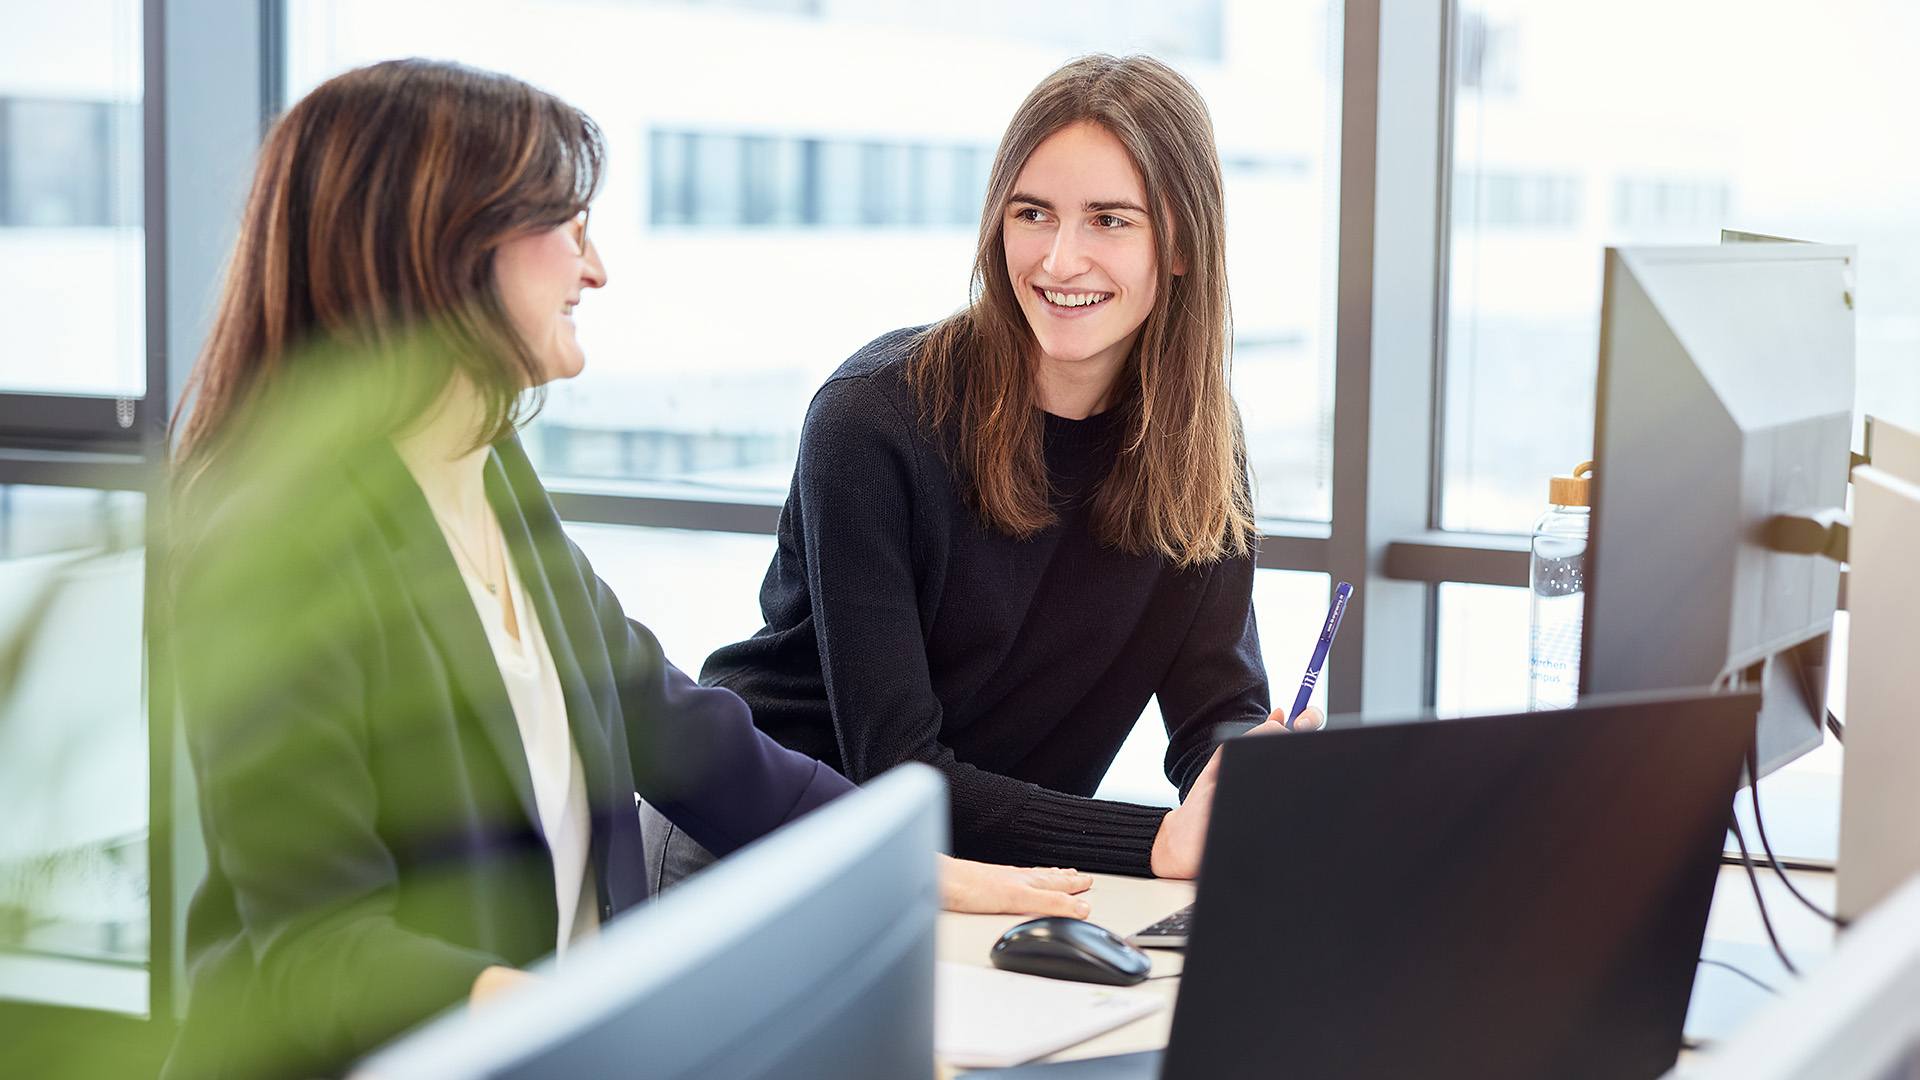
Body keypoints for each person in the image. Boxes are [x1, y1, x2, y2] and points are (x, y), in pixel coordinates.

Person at [160, 58, 1088, 1080]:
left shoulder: (482, 467)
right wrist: (609, 1019)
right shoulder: (277, 543)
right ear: (448, 249)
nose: (593, 270)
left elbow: (669, 725)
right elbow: (319, 951)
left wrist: (911, 865)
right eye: (569, 226)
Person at [686, 54, 1321, 889]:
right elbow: (900, 770)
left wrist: (1244, 778)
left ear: (1181, 247)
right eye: (1033, 214)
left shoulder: (1198, 441)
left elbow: (1215, 708)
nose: (1060, 261)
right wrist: (1156, 844)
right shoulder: (874, 419)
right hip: (765, 853)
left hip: (995, 874)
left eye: (1110, 220)